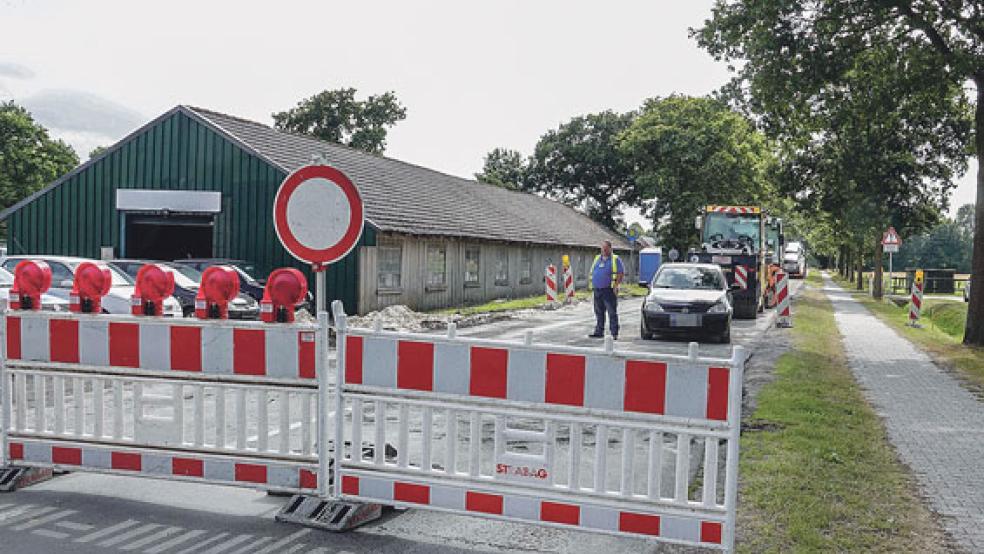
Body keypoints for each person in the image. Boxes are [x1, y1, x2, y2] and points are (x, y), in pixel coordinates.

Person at [588, 240, 625, 339]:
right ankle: (599, 331)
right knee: (599, 312)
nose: (603, 250)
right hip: (597, 289)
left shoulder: (615, 259)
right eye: (602, 248)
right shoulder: (597, 258)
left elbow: (620, 274)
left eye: (605, 248)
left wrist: (616, 285)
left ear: (610, 248)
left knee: (611, 312)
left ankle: (614, 333)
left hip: (609, 290)